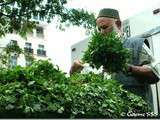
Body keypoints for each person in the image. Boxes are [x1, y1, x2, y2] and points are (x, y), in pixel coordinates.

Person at [70, 8, 160, 108]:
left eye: (105, 27)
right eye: (99, 29)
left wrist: (128, 68)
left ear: (118, 24)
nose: (101, 32)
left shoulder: (136, 45)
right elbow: (81, 86)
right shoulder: (97, 54)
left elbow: (155, 74)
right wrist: (73, 71)